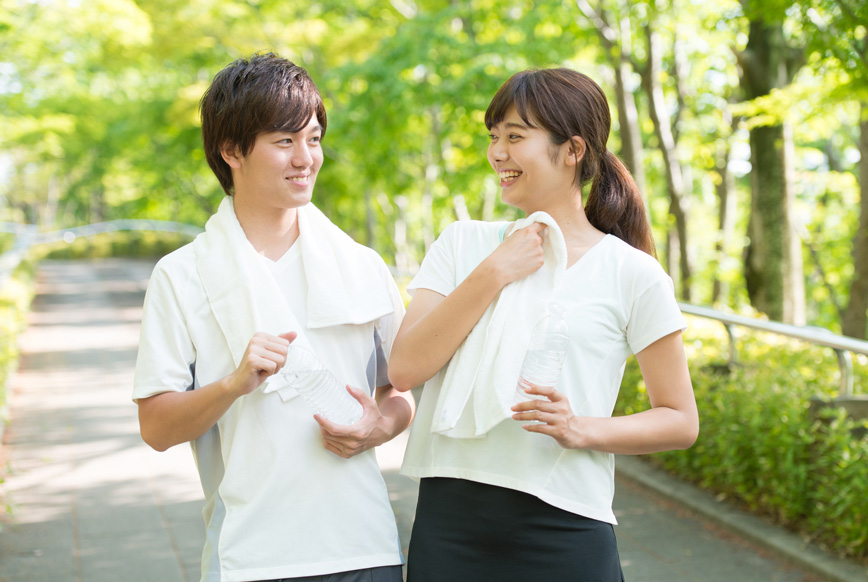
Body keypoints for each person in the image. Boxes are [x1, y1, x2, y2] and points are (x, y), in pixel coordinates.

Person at [388, 68, 699, 581]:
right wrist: (493, 272)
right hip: (450, 526)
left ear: (573, 149)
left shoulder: (632, 273)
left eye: (515, 137)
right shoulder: (464, 244)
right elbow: (405, 368)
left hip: (565, 529)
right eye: (494, 137)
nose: (497, 153)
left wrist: (581, 428)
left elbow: (680, 420)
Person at [133, 52, 414, 582]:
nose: (305, 157)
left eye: (313, 138)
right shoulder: (182, 275)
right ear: (231, 151)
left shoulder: (360, 266)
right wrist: (232, 385)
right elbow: (156, 427)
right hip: (249, 557)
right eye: (284, 141)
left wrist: (380, 427)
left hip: (365, 547)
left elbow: (399, 391)